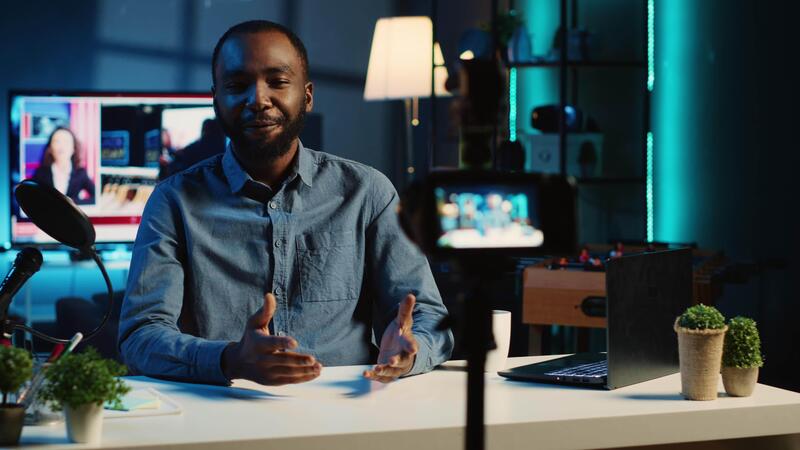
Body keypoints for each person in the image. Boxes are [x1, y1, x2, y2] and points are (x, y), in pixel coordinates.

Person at [118, 20, 454, 386]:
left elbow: (428, 318)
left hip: (344, 410)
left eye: (278, 81)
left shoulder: (368, 192)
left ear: (307, 96)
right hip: (223, 409)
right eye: (237, 86)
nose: (258, 99)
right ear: (215, 99)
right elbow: (140, 337)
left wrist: (410, 351)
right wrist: (230, 359)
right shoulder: (173, 201)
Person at [31, 127, 95, 204]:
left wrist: (74, 203)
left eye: (66, 141)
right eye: (57, 141)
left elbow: (96, 197)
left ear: (73, 149)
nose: (61, 146)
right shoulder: (41, 173)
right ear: (50, 148)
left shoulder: (80, 173)